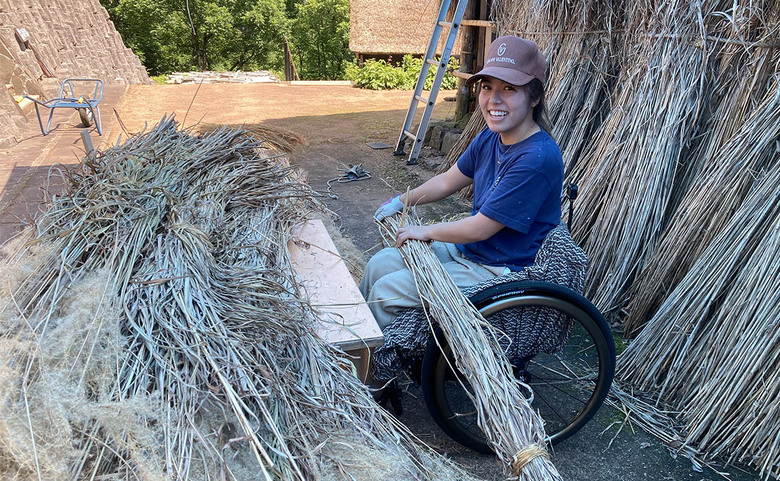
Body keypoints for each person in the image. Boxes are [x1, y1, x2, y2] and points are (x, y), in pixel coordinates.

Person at [360, 35, 563, 334]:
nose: (493, 99)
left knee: (386, 292)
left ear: (534, 97)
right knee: (380, 264)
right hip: (469, 251)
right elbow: (446, 182)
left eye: (509, 88)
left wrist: (425, 231)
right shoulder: (489, 138)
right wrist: (401, 200)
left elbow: (481, 227)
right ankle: (357, 345)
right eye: (487, 87)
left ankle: (377, 372)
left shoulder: (537, 158)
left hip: (499, 270)